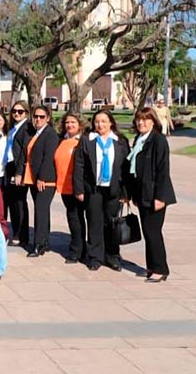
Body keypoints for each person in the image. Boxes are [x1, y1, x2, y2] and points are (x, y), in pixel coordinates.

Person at [73, 109, 131, 271]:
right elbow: (79, 166)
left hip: (113, 190)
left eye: (104, 121)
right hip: (93, 189)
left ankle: (112, 256)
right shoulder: (87, 140)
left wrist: (126, 193)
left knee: (111, 223)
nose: (100, 124)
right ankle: (95, 256)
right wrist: (79, 189)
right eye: (97, 121)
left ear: (111, 122)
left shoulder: (120, 141)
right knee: (94, 222)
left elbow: (126, 169)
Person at [128, 108, 177, 282]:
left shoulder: (158, 140)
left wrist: (160, 197)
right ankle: (151, 266)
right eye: (139, 120)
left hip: (155, 194)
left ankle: (160, 268)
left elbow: (163, 170)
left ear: (153, 121)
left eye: (145, 120)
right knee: (148, 232)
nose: (141, 123)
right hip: (142, 194)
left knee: (153, 231)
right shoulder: (140, 139)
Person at [24, 105, 60, 257]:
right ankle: (44, 241)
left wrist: (42, 178)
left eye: (41, 117)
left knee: (40, 210)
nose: (38, 119)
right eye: (36, 116)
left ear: (48, 118)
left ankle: (38, 244)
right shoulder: (37, 133)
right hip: (34, 178)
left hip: (45, 180)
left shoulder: (50, 134)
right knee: (42, 211)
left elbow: (48, 157)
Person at [54, 112, 86, 264]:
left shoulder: (83, 141)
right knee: (74, 218)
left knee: (78, 218)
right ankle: (78, 247)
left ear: (79, 124)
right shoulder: (62, 140)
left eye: (73, 122)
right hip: (64, 186)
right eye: (67, 122)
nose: (70, 125)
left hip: (78, 187)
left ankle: (78, 251)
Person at [5, 100, 34, 248]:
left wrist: (19, 173)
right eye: (14, 111)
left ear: (26, 113)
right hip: (9, 166)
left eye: (20, 111)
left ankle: (22, 235)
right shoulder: (13, 128)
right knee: (12, 202)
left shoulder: (26, 128)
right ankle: (15, 230)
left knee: (19, 202)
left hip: (19, 169)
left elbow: (24, 150)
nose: (16, 113)